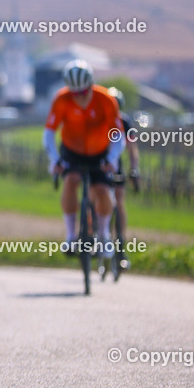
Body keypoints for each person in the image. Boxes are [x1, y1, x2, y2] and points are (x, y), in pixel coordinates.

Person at [42, 60, 124, 256]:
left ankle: (103, 235)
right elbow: (48, 133)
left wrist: (112, 159)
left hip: (100, 152)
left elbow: (119, 135)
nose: (79, 97)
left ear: (91, 85)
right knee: (71, 181)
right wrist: (54, 160)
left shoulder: (105, 99)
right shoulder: (61, 99)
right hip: (72, 151)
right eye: (75, 93)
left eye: (83, 92)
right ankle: (71, 236)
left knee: (103, 191)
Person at [107, 87, 139, 270]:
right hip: (97, 163)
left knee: (119, 203)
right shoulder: (98, 119)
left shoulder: (124, 122)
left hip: (115, 166)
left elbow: (132, 149)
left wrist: (134, 169)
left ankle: (121, 248)